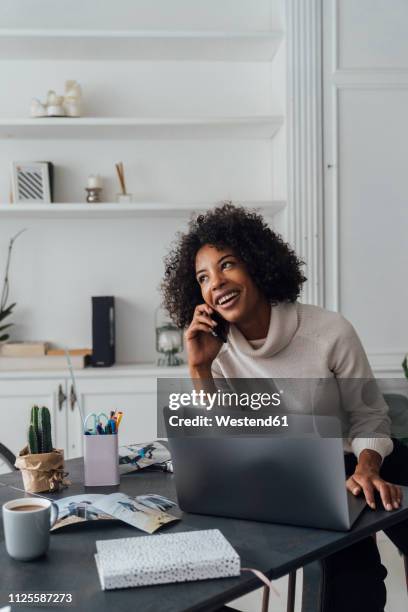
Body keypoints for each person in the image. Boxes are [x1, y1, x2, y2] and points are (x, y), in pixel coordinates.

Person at [162, 203, 407, 612]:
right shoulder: (215, 350)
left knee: (351, 585)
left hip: (341, 470)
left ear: (258, 265)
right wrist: (199, 367)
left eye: (227, 265)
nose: (216, 283)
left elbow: (370, 416)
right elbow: (221, 444)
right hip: (265, 480)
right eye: (203, 277)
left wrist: (367, 466)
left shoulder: (329, 332)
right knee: (181, 579)